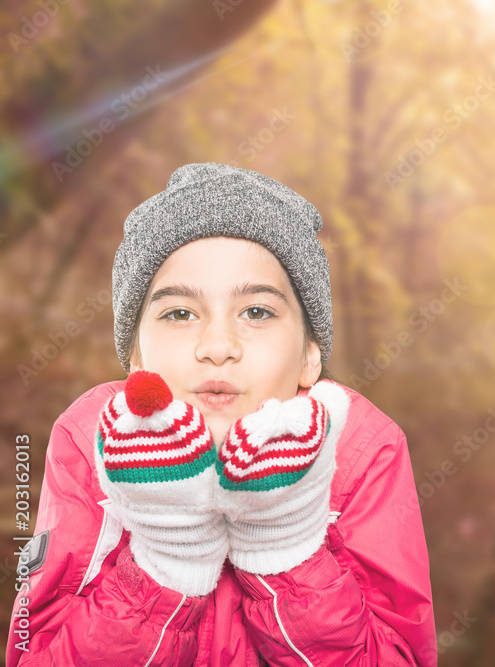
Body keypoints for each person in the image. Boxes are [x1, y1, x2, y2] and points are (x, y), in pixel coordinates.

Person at [6, 163, 437, 666]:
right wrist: (166, 562)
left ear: (309, 357)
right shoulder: (90, 441)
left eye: (257, 312)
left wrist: (283, 546)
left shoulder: (361, 449)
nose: (217, 346)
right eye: (179, 313)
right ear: (136, 358)